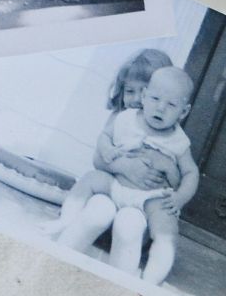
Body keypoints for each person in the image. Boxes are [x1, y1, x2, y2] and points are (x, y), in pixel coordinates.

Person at [47, 66, 202, 285]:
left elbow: (191, 173)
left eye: (171, 105)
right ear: (145, 95)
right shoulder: (126, 119)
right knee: (91, 178)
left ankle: (149, 280)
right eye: (156, 98)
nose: (161, 108)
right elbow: (105, 137)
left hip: (150, 199)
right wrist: (108, 149)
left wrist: (179, 198)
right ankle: (66, 219)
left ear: (183, 112)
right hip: (115, 186)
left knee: (167, 232)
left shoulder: (179, 141)